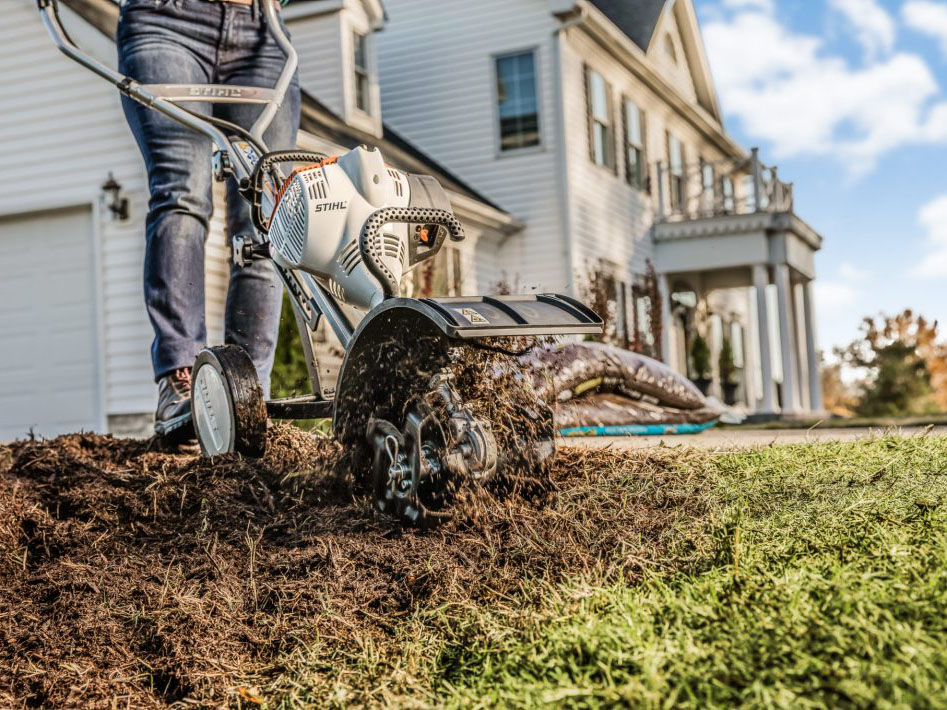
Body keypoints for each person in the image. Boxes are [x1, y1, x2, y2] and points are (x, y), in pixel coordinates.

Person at [117, 0, 301, 435]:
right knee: (183, 193)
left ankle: (247, 390)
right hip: (166, 21)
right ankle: (182, 379)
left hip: (262, 29)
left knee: (266, 218)